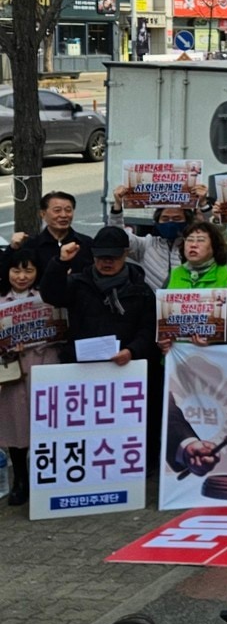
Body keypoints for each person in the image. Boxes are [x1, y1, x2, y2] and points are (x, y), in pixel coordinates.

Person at [40, 225, 157, 366]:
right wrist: (60, 263)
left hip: (123, 367)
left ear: (126, 253)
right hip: (81, 366)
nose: (107, 262)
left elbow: (148, 329)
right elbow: (51, 295)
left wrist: (132, 351)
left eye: (113, 257)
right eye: (101, 256)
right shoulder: (78, 283)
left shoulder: (141, 290)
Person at [0, 244, 62, 505]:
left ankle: (45, 477)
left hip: (44, 363)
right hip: (12, 371)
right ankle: (21, 480)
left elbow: (61, 330)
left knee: (46, 423)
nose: (22, 277)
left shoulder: (47, 297)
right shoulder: (2, 301)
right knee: (15, 426)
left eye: (28, 270)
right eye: (16, 270)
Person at [29, 191, 93, 276]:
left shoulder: (86, 243)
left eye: (68, 210)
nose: (63, 215)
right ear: (43, 214)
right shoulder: (32, 246)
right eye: (57, 210)